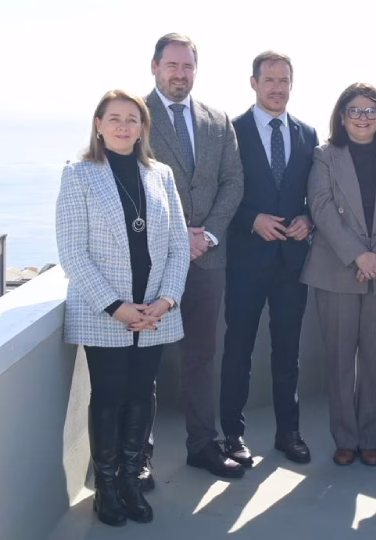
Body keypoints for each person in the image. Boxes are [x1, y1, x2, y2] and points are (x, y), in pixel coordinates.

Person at [54, 89, 190, 527]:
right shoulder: (78, 175)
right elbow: (72, 251)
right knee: (109, 397)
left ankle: (132, 481)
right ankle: (107, 488)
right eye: (114, 118)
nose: (123, 126)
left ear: (143, 127)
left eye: (132, 119)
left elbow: (178, 246)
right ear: (98, 125)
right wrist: (115, 306)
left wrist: (165, 301)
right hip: (105, 314)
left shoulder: (160, 174)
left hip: (154, 313)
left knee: (142, 394)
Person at [143, 32, 246, 482]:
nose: (180, 74)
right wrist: (176, 237)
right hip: (152, 262)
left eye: (187, 66)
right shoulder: (135, 116)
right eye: (172, 65)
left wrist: (208, 236)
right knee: (145, 361)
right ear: (155, 67)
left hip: (207, 259)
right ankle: (138, 456)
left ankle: (203, 445)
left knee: (201, 357)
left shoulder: (216, 120)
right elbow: (130, 186)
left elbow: (233, 183)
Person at [302, 83, 376, 467]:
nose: (363, 118)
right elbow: (320, 207)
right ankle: (344, 438)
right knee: (339, 361)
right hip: (337, 270)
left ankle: (369, 438)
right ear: (342, 116)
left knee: (375, 360)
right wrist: (358, 256)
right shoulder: (324, 156)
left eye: (371, 111)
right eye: (354, 110)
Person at [221, 50, 319, 465]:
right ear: (254, 83)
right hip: (245, 262)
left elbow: (315, 194)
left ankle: (288, 433)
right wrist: (251, 219)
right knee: (238, 350)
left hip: (292, 264)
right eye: (269, 80)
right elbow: (222, 194)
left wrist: (308, 220)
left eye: (284, 80)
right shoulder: (230, 131)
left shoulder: (307, 134)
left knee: (288, 353)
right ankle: (232, 436)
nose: (277, 88)